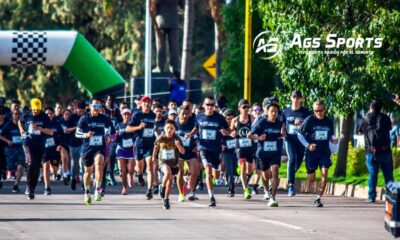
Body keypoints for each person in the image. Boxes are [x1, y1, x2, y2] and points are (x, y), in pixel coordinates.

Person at [185, 96, 229, 207]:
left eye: (212, 105)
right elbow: (196, 129)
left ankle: (217, 170)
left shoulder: (219, 118)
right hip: (203, 148)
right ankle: (211, 197)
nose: (210, 107)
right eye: (207, 105)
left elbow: (228, 129)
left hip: (216, 149)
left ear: (214, 106)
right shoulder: (199, 117)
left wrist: (225, 132)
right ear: (204, 106)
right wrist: (190, 134)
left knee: (216, 175)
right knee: (208, 170)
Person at [297, 100, 338, 207]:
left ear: (325, 110)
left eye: (320, 110)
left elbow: (331, 134)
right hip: (312, 152)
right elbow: (300, 135)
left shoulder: (328, 121)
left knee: (324, 173)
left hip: (324, 151)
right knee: (312, 177)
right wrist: (308, 145)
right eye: (316, 110)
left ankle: (318, 198)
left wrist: (333, 139)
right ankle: (310, 185)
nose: (318, 113)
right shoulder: (309, 120)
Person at [75, 98, 113, 205]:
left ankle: (97, 189)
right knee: (88, 172)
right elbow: (77, 133)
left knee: (99, 164)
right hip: (87, 148)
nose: (97, 108)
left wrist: (108, 136)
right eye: (95, 106)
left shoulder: (104, 118)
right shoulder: (84, 118)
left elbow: (110, 129)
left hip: (99, 147)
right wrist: (86, 135)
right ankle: (87, 192)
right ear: (90, 106)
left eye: (99, 106)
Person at [248, 102, 284, 207]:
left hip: (275, 152)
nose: (274, 113)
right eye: (272, 111)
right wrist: (258, 138)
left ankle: (273, 198)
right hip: (263, 153)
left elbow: (282, 134)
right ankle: (266, 191)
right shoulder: (261, 122)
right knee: (265, 175)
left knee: (275, 171)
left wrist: (282, 133)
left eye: (276, 111)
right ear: (267, 112)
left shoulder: (279, 122)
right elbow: (249, 135)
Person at [19, 98, 54, 200]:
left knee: (37, 166)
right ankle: (29, 187)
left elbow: (51, 132)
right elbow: (19, 122)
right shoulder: (26, 114)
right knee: (31, 162)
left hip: (40, 144)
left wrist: (39, 129)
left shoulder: (44, 117)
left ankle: (32, 188)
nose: (35, 111)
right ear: (31, 108)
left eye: (38, 109)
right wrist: (22, 130)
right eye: (34, 109)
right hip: (28, 142)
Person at [359, 100, 393, 203]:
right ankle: (390, 197)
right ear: (380, 108)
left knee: (373, 175)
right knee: (388, 176)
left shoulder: (365, 118)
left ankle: (371, 196)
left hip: (371, 151)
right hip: (385, 150)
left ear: (371, 107)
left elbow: (360, 131)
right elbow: (389, 129)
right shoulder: (386, 118)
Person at [126, 96, 157, 199]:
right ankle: (139, 175)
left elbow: (154, 127)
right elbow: (127, 129)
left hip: (150, 144)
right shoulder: (137, 115)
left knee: (149, 166)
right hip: (139, 144)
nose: (147, 104)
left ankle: (149, 190)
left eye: (149, 103)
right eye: (145, 103)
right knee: (139, 167)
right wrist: (139, 127)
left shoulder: (153, 115)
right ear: (141, 104)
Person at [282, 91, 310, 196]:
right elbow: (282, 123)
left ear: (301, 99)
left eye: (298, 97)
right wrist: (282, 130)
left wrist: (301, 123)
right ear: (291, 98)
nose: (296, 99)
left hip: (301, 141)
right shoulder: (286, 112)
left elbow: (309, 126)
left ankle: (290, 176)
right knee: (292, 158)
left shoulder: (305, 113)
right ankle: (291, 186)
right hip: (290, 140)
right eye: (294, 97)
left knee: (297, 162)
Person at [153, 119, 185, 209]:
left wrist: (178, 145)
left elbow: (182, 152)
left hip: (173, 163)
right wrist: (153, 157)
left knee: (170, 182)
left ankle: (166, 199)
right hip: (163, 162)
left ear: (174, 129)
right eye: (167, 128)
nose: (169, 130)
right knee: (167, 172)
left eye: (171, 128)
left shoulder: (177, 138)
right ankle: (162, 187)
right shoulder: (161, 137)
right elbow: (155, 146)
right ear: (164, 128)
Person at [230, 99, 254, 200]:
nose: (246, 109)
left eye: (248, 107)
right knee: (243, 167)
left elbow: (256, 129)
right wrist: (233, 134)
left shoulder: (252, 118)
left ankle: (246, 182)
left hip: (250, 147)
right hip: (240, 147)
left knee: (250, 170)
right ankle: (246, 190)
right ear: (239, 109)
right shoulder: (235, 120)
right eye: (244, 107)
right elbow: (231, 132)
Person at [176, 106, 198, 201]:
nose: (185, 116)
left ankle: (191, 191)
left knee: (194, 172)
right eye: (182, 114)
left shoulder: (192, 123)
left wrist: (196, 145)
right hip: (178, 152)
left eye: (186, 114)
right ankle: (181, 193)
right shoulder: (175, 123)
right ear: (178, 114)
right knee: (180, 173)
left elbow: (197, 135)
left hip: (190, 151)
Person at [42, 107, 66, 195]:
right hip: (44, 148)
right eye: (47, 113)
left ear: (53, 114)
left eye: (50, 113)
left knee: (54, 169)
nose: (49, 115)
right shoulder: (42, 124)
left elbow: (62, 136)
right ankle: (47, 188)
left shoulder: (56, 124)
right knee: (46, 167)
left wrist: (60, 145)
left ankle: (54, 173)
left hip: (55, 148)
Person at [0, 109, 24, 192]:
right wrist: (8, 141)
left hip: (20, 148)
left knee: (20, 167)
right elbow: (1, 136)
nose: (17, 115)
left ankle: (16, 185)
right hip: (10, 149)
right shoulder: (8, 125)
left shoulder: (23, 124)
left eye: (19, 114)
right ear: (12, 115)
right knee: (10, 168)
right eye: (15, 114)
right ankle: (4, 175)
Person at [115, 108, 135, 195]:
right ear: (122, 116)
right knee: (123, 171)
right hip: (121, 149)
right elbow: (114, 136)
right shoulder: (118, 125)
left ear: (130, 116)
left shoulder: (133, 125)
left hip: (131, 149)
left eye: (128, 114)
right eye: (125, 114)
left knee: (130, 169)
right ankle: (124, 188)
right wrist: (117, 135)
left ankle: (130, 175)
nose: (126, 116)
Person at [66, 102, 85, 191]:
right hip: (73, 143)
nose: (81, 112)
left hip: (83, 142)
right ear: (76, 109)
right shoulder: (72, 117)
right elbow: (67, 130)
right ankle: (73, 179)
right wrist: (76, 127)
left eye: (82, 110)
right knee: (74, 163)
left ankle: (84, 183)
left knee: (82, 162)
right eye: (79, 110)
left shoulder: (86, 117)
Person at [221, 109, 238, 197]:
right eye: (228, 119)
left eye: (231, 119)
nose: (229, 121)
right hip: (226, 151)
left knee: (235, 170)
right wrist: (221, 145)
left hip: (236, 151)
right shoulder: (221, 127)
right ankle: (231, 189)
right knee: (229, 170)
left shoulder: (237, 126)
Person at [0, 109, 9, 189]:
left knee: (4, 162)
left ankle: (4, 172)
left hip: (5, 146)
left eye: (2, 115)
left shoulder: (6, 125)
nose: (1, 117)